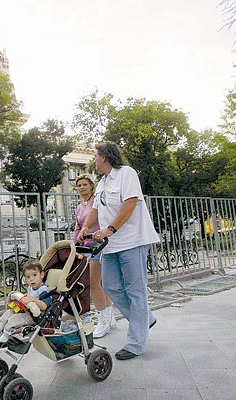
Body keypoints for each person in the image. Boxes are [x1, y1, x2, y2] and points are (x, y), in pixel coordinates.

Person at [78, 141, 160, 360]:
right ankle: (145, 318)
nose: (94, 159)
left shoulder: (126, 173)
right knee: (112, 287)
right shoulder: (103, 182)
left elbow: (131, 203)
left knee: (135, 291)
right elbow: (95, 208)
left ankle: (135, 344)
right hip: (112, 244)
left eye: (95, 155)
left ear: (104, 156)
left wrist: (110, 229)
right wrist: (86, 227)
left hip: (133, 240)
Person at [72, 174, 116, 338]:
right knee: (100, 284)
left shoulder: (96, 202)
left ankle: (102, 321)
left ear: (91, 186)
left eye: (85, 184)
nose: (82, 187)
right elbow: (78, 228)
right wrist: (74, 245)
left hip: (98, 244)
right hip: (85, 247)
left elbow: (100, 220)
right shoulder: (79, 207)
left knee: (93, 283)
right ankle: (110, 319)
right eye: (79, 185)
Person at [0, 259, 52, 350]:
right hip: (27, 312)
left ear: (41, 275)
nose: (31, 279)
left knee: (14, 319)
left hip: (36, 317)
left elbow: (44, 306)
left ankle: (3, 340)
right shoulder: (30, 288)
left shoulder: (43, 290)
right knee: (10, 312)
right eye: (28, 277)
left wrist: (33, 299)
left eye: (34, 275)